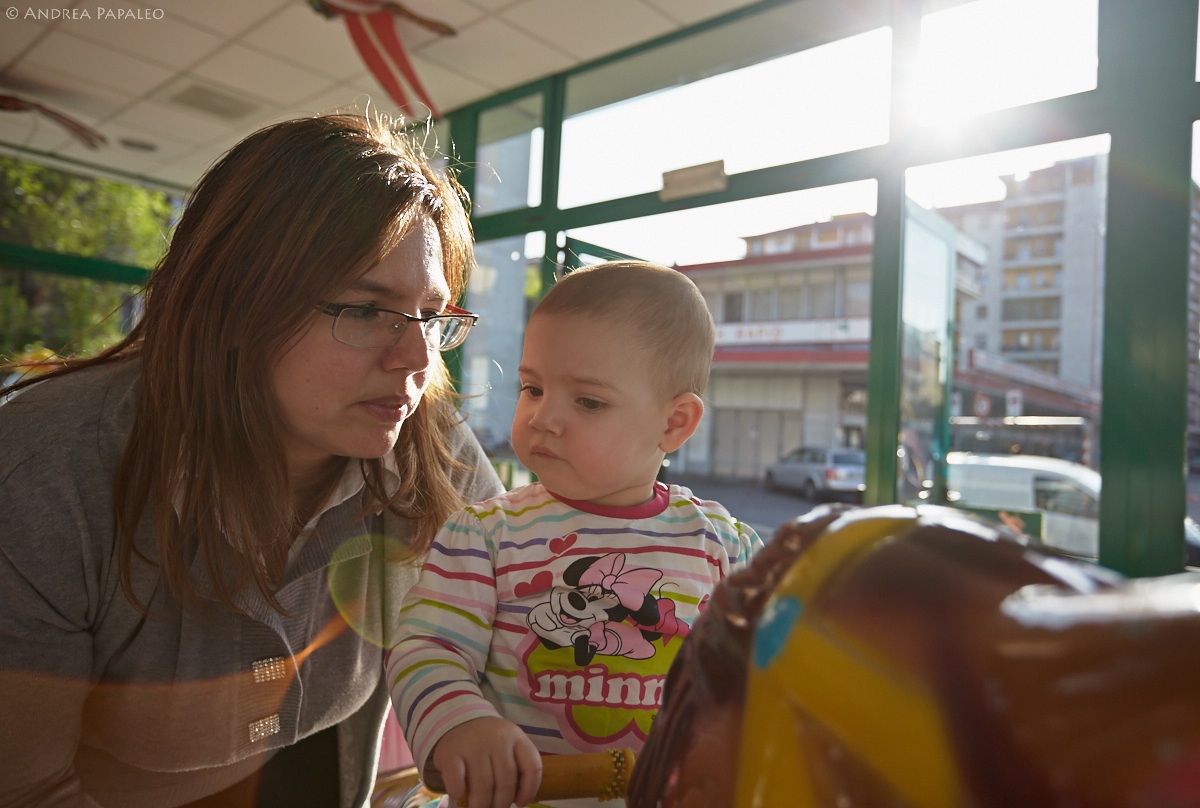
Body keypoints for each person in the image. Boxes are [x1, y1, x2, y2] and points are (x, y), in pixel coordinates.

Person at [0, 113, 505, 808]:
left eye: (430, 316)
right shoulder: (47, 472)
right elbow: (25, 790)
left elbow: (532, 653)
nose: (417, 361)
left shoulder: (437, 457)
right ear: (235, 302)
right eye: (364, 310)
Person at [388, 261, 764, 808]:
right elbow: (428, 646)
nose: (543, 417)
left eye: (588, 401)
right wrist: (460, 725)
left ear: (674, 424)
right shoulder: (486, 534)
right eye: (532, 388)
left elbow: (774, 664)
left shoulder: (725, 545)